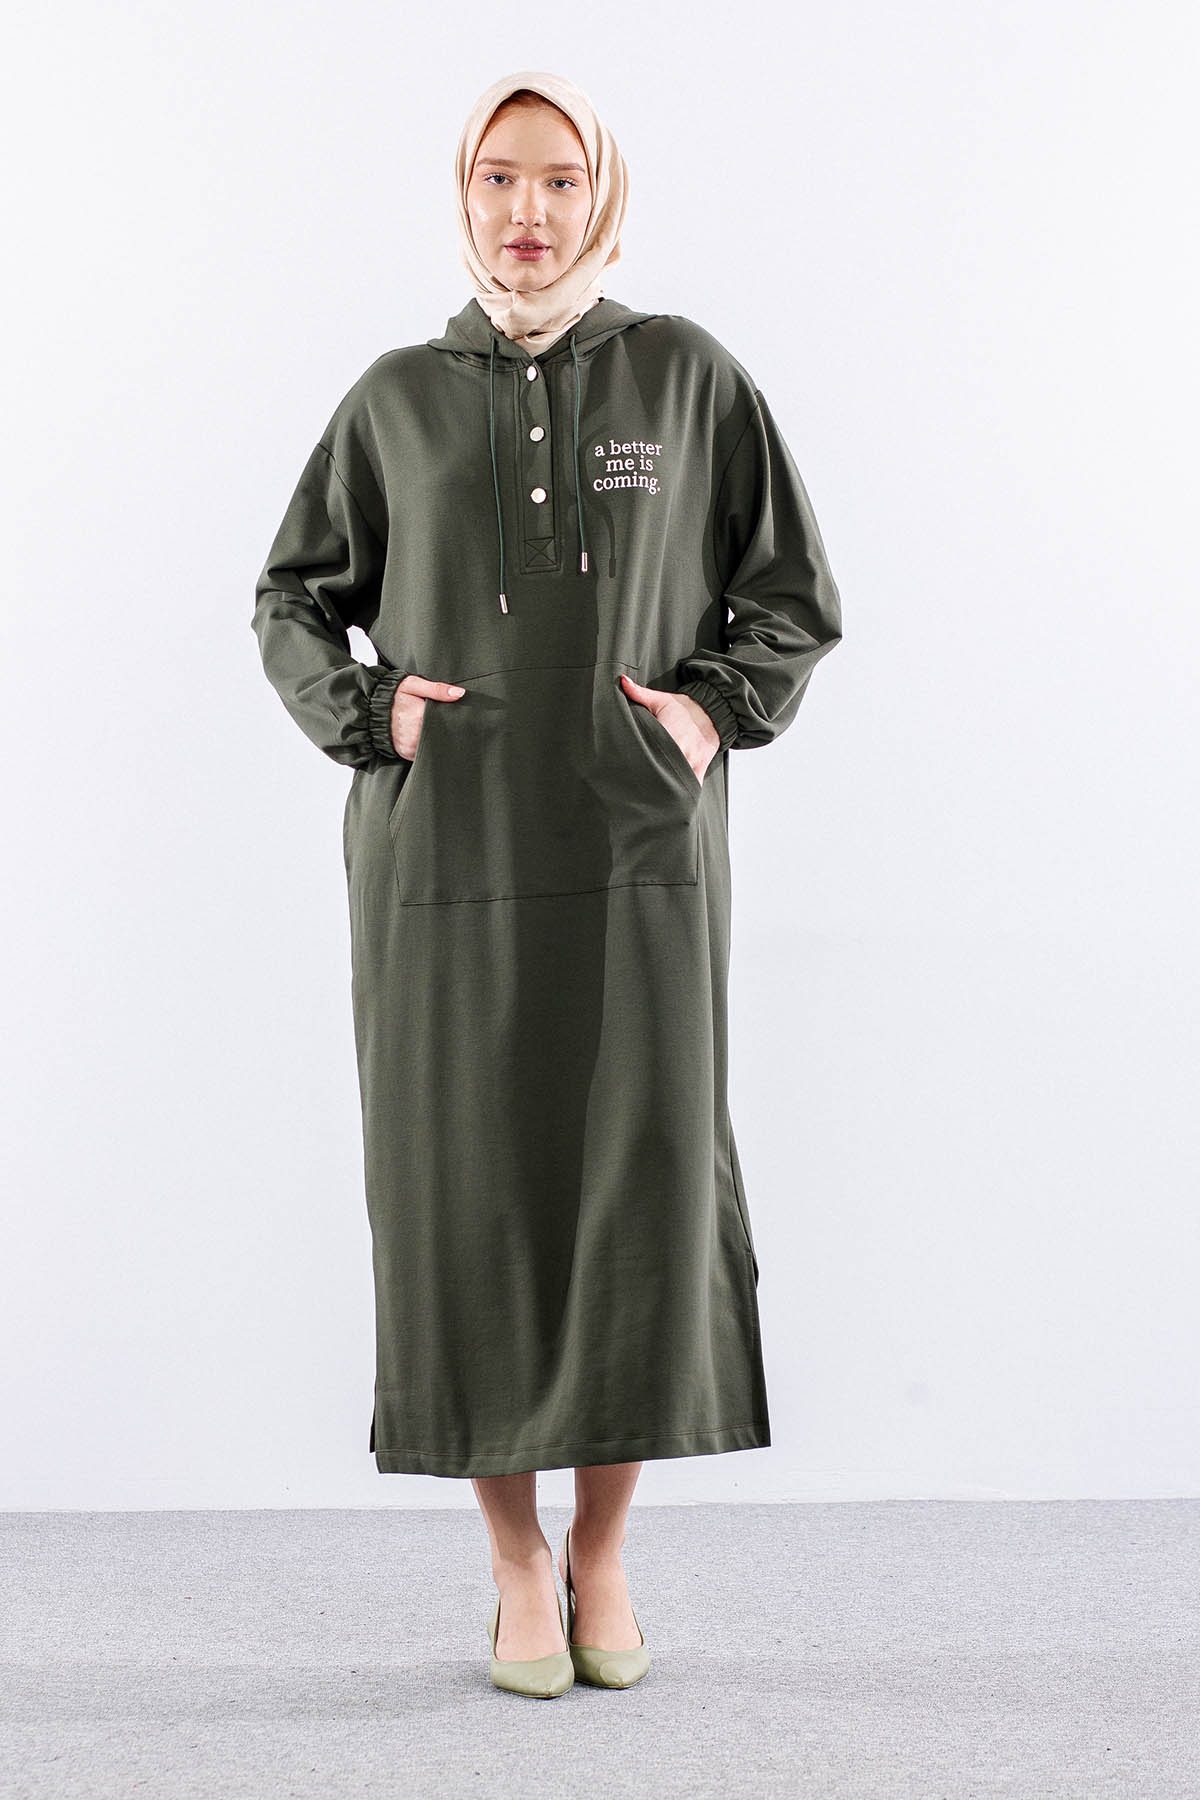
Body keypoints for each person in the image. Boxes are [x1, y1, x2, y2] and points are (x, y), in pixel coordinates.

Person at [251, 69, 843, 1699]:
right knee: (467, 1192)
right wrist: (373, 712)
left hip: (639, 861)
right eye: (499, 178)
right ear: (463, 196)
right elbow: (290, 598)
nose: (528, 210)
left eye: (559, 179)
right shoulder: (396, 398)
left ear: (605, 197)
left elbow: (791, 594)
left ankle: (606, 1548)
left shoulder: (687, 377)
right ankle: (516, 1559)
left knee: (638, 1188)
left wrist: (708, 715)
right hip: (444, 863)